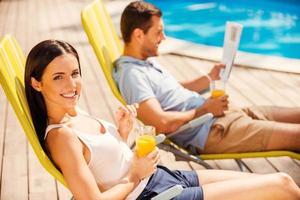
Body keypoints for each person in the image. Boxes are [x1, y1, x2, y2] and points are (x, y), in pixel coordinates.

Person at [24, 39, 300, 200]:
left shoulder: (74, 111)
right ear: (37, 84)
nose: (71, 84)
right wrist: (135, 174)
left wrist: (121, 134)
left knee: (270, 187)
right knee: (282, 184)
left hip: (162, 178)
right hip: (153, 194)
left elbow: (101, 165)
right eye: (58, 77)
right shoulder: (61, 136)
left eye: (75, 73)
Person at [113, 1, 300, 154]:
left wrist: (210, 77)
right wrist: (205, 109)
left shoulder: (144, 62)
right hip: (213, 131)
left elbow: (171, 91)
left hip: (222, 116)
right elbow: (160, 123)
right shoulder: (132, 75)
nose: (164, 37)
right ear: (138, 34)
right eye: (158, 32)